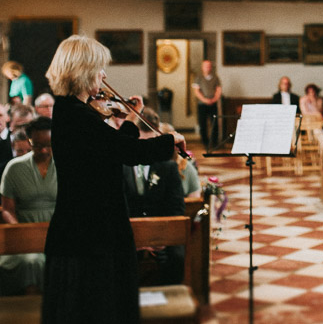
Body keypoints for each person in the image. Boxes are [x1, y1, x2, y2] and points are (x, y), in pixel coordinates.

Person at [41, 34, 185, 324]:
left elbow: (114, 149)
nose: (104, 75)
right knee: (94, 309)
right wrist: (171, 140)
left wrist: (132, 119)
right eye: (99, 68)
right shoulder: (76, 115)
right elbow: (129, 151)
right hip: (87, 233)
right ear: (82, 71)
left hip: (92, 227)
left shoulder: (73, 111)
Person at [122, 108, 186, 285]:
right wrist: (139, 239)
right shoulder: (121, 165)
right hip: (129, 234)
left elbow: (176, 208)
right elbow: (119, 204)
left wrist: (159, 238)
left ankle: (170, 300)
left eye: (151, 143)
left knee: (176, 256)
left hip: (161, 233)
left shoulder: (168, 167)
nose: (146, 150)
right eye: (141, 143)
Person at [0, 117, 57, 295]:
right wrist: (20, 232)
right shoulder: (14, 168)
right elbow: (7, 209)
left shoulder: (65, 165)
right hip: (25, 233)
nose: (44, 150)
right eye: (38, 145)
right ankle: (33, 311)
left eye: (49, 145)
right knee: (32, 261)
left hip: (57, 232)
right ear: (29, 141)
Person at [191, 59, 222, 149]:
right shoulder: (198, 77)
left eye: (209, 66)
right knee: (202, 124)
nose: (208, 68)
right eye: (206, 66)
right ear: (202, 67)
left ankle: (215, 142)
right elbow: (196, 91)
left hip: (213, 103)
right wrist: (205, 100)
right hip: (202, 104)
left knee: (214, 123)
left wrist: (214, 99)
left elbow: (218, 89)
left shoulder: (215, 78)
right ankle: (205, 142)